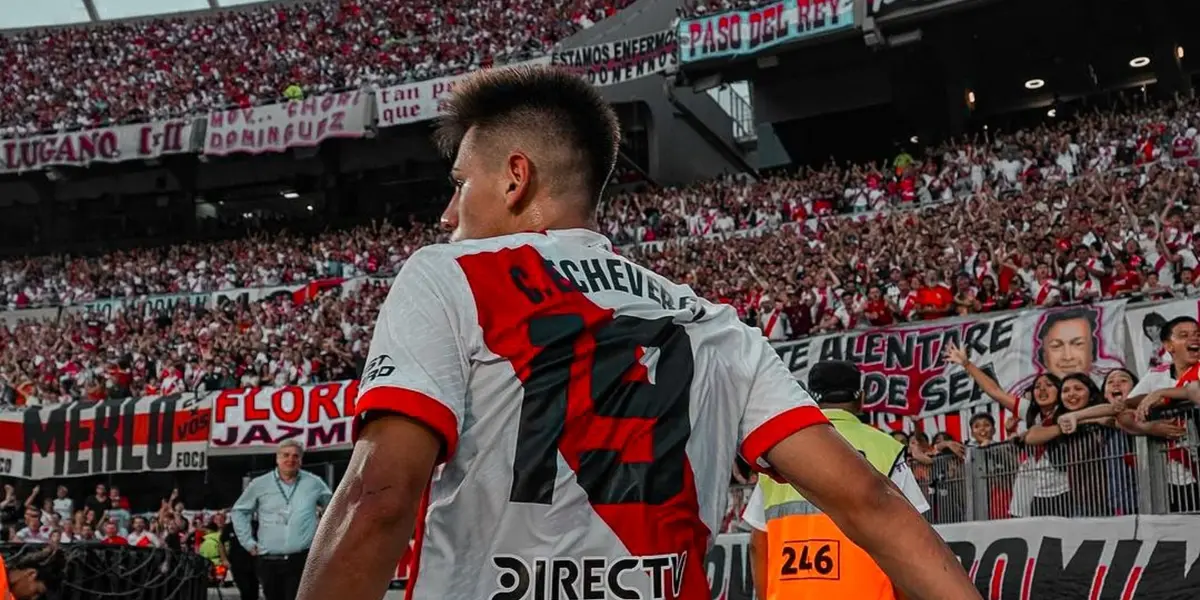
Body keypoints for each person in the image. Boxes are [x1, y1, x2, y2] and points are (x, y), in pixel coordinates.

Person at [298, 66, 976, 600]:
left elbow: (377, 496)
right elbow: (869, 499)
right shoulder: (715, 326)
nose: (448, 214)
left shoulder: (450, 276)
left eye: (457, 185)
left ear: (514, 178)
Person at [741, 361, 930, 600]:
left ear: (807, 397)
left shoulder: (780, 454)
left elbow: (758, 543)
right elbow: (913, 545)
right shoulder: (887, 450)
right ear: (861, 398)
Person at [233, 440, 331, 600]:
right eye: (286, 455)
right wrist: (248, 542)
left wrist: (325, 538)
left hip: (302, 559)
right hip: (270, 560)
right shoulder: (260, 484)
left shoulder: (314, 483)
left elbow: (334, 507)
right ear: (277, 458)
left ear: (301, 460)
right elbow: (239, 512)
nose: (290, 460)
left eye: (295, 456)